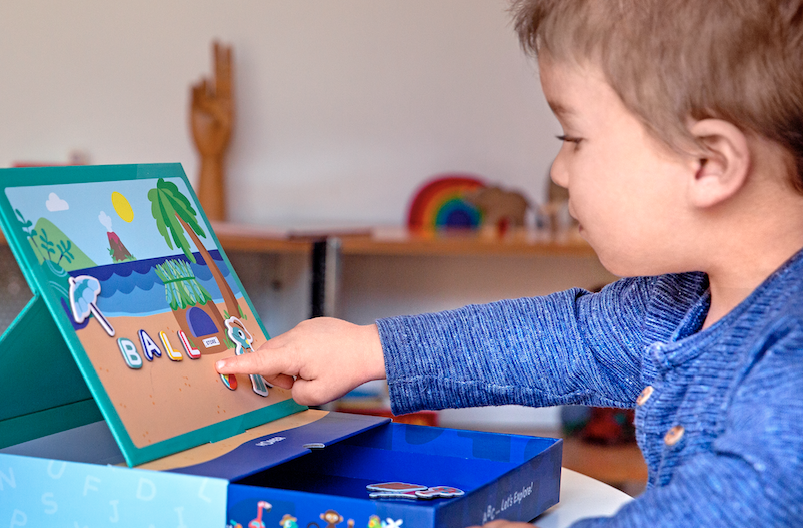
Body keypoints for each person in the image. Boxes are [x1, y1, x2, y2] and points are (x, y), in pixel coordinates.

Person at [216, 0, 803, 525]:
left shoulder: (791, 361)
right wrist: (366, 350)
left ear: (709, 162)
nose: (559, 172)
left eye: (573, 139)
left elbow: (734, 507)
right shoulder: (680, 302)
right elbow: (552, 338)